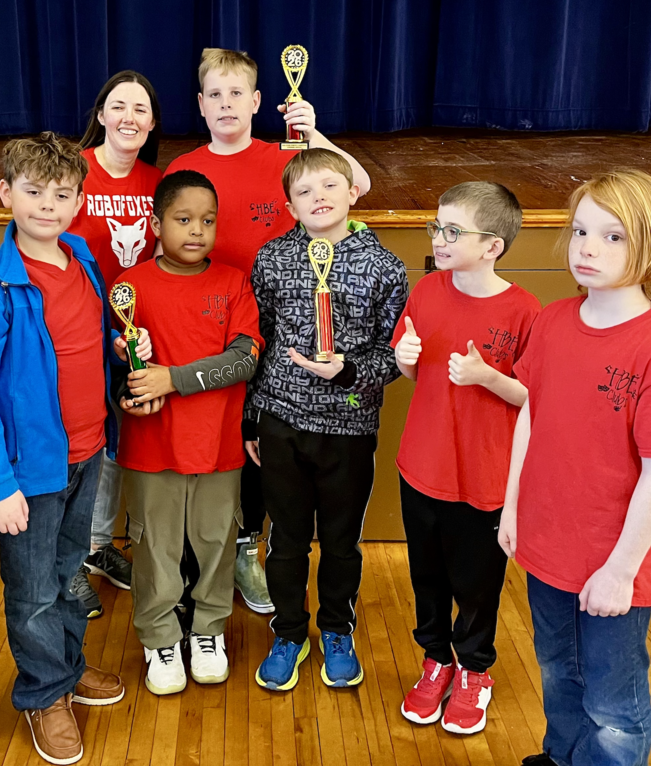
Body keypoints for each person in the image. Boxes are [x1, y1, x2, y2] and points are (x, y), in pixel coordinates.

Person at [0, 133, 150, 766]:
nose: (48, 205)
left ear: (78, 201)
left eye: (62, 194)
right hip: (29, 472)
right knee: (33, 589)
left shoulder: (82, 256)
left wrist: (117, 353)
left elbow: (86, 344)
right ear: (6, 194)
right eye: (34, 192)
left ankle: (65, 668)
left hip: (87, 451)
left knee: (68, 575)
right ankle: (44, 693)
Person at [501, 170, 651, 766]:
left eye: (613, 236)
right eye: (581, 231)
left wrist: (620, 570)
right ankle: (562, 756)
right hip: (547, 543)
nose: (588, 248)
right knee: (556, 668)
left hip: (616, 563)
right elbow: (532, 413)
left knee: (613, 702)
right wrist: (512, 506)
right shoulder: (552, 320)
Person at [165, 47, 373, 614]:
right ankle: (197, 554)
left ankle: (246, 550)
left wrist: (314, 132)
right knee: (215, 435)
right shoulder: (184, 167)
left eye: (237, 94)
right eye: (215, 95)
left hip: (276, 327)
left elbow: (359, 182)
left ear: (258, 101)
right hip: (206, 322)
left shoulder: (287, 153)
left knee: (259, 442)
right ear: (201, 105)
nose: (226, 104)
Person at [246, 148, 408, 691]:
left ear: (353, 192)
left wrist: (349, 372)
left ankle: (337, 628)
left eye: (330, 186)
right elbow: (258, 340)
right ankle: (289, 632)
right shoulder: (272, 259)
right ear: (290, 206)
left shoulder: (385, 267)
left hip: (349, 429)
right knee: (286, 541)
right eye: (304, 191)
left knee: (341, 542)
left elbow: (395, 354)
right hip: (282, 422)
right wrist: (252, 418)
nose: (318, 197)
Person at [391, 182, 540, 735]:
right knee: (426, 577)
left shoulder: (524, 310)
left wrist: (487, 376)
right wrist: (405, 358)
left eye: (453, 231)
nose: (439, 238)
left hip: (485, 478)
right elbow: (414, 372)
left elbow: (533, 396)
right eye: (437, 227)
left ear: (492, 246)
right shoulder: (426, 290)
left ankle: (475, 670)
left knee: (478, 584)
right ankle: (436, 661)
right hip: (421, 468)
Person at [113, 170, 262, 695]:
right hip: (151, 445)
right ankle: (159, 637)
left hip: (219, 444)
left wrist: (171, 379)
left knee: (217, 541)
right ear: (156, 225)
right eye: (183, 219)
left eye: (208, 220)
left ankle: (208, 631)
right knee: (155, 546)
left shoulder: (233, 283)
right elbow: (121, 371)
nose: (197, 230)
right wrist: (132, 387)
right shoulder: (129, 287)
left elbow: (244, 359)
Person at [68, 70, 164, 618]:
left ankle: (98, 546)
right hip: (78, 334)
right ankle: (69, 560)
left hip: (134, 338)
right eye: (119, 106)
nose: (129, 117)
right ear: (101, 114)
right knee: (77, 447)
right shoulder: (74, 171)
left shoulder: (159, 180)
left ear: (152, 124)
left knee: (118, 448)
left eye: (140, 109)